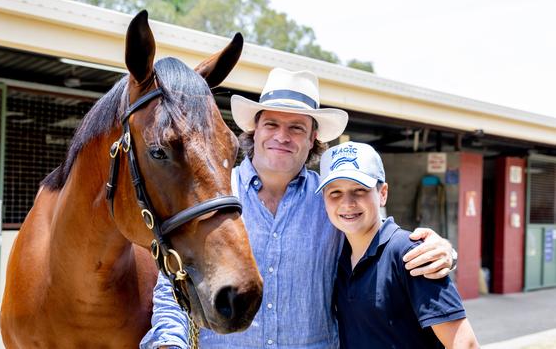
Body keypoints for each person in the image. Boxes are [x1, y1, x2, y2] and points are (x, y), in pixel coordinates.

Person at [140, 68, 456, 349]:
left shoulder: (333, 200)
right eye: (272, 124)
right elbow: (173, 282)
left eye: (296, 128)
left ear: (312, 138)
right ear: (255, 130)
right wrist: (169, 342)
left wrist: (441, 251)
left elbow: (382, 249)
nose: (282, 136)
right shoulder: (212, 195)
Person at [317, 141, 478, 348]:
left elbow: (465, 344)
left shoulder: (411, 254)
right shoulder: (338, 257)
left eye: (359, 190)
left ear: (382, 193)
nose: (347, 203)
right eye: (335, 193)